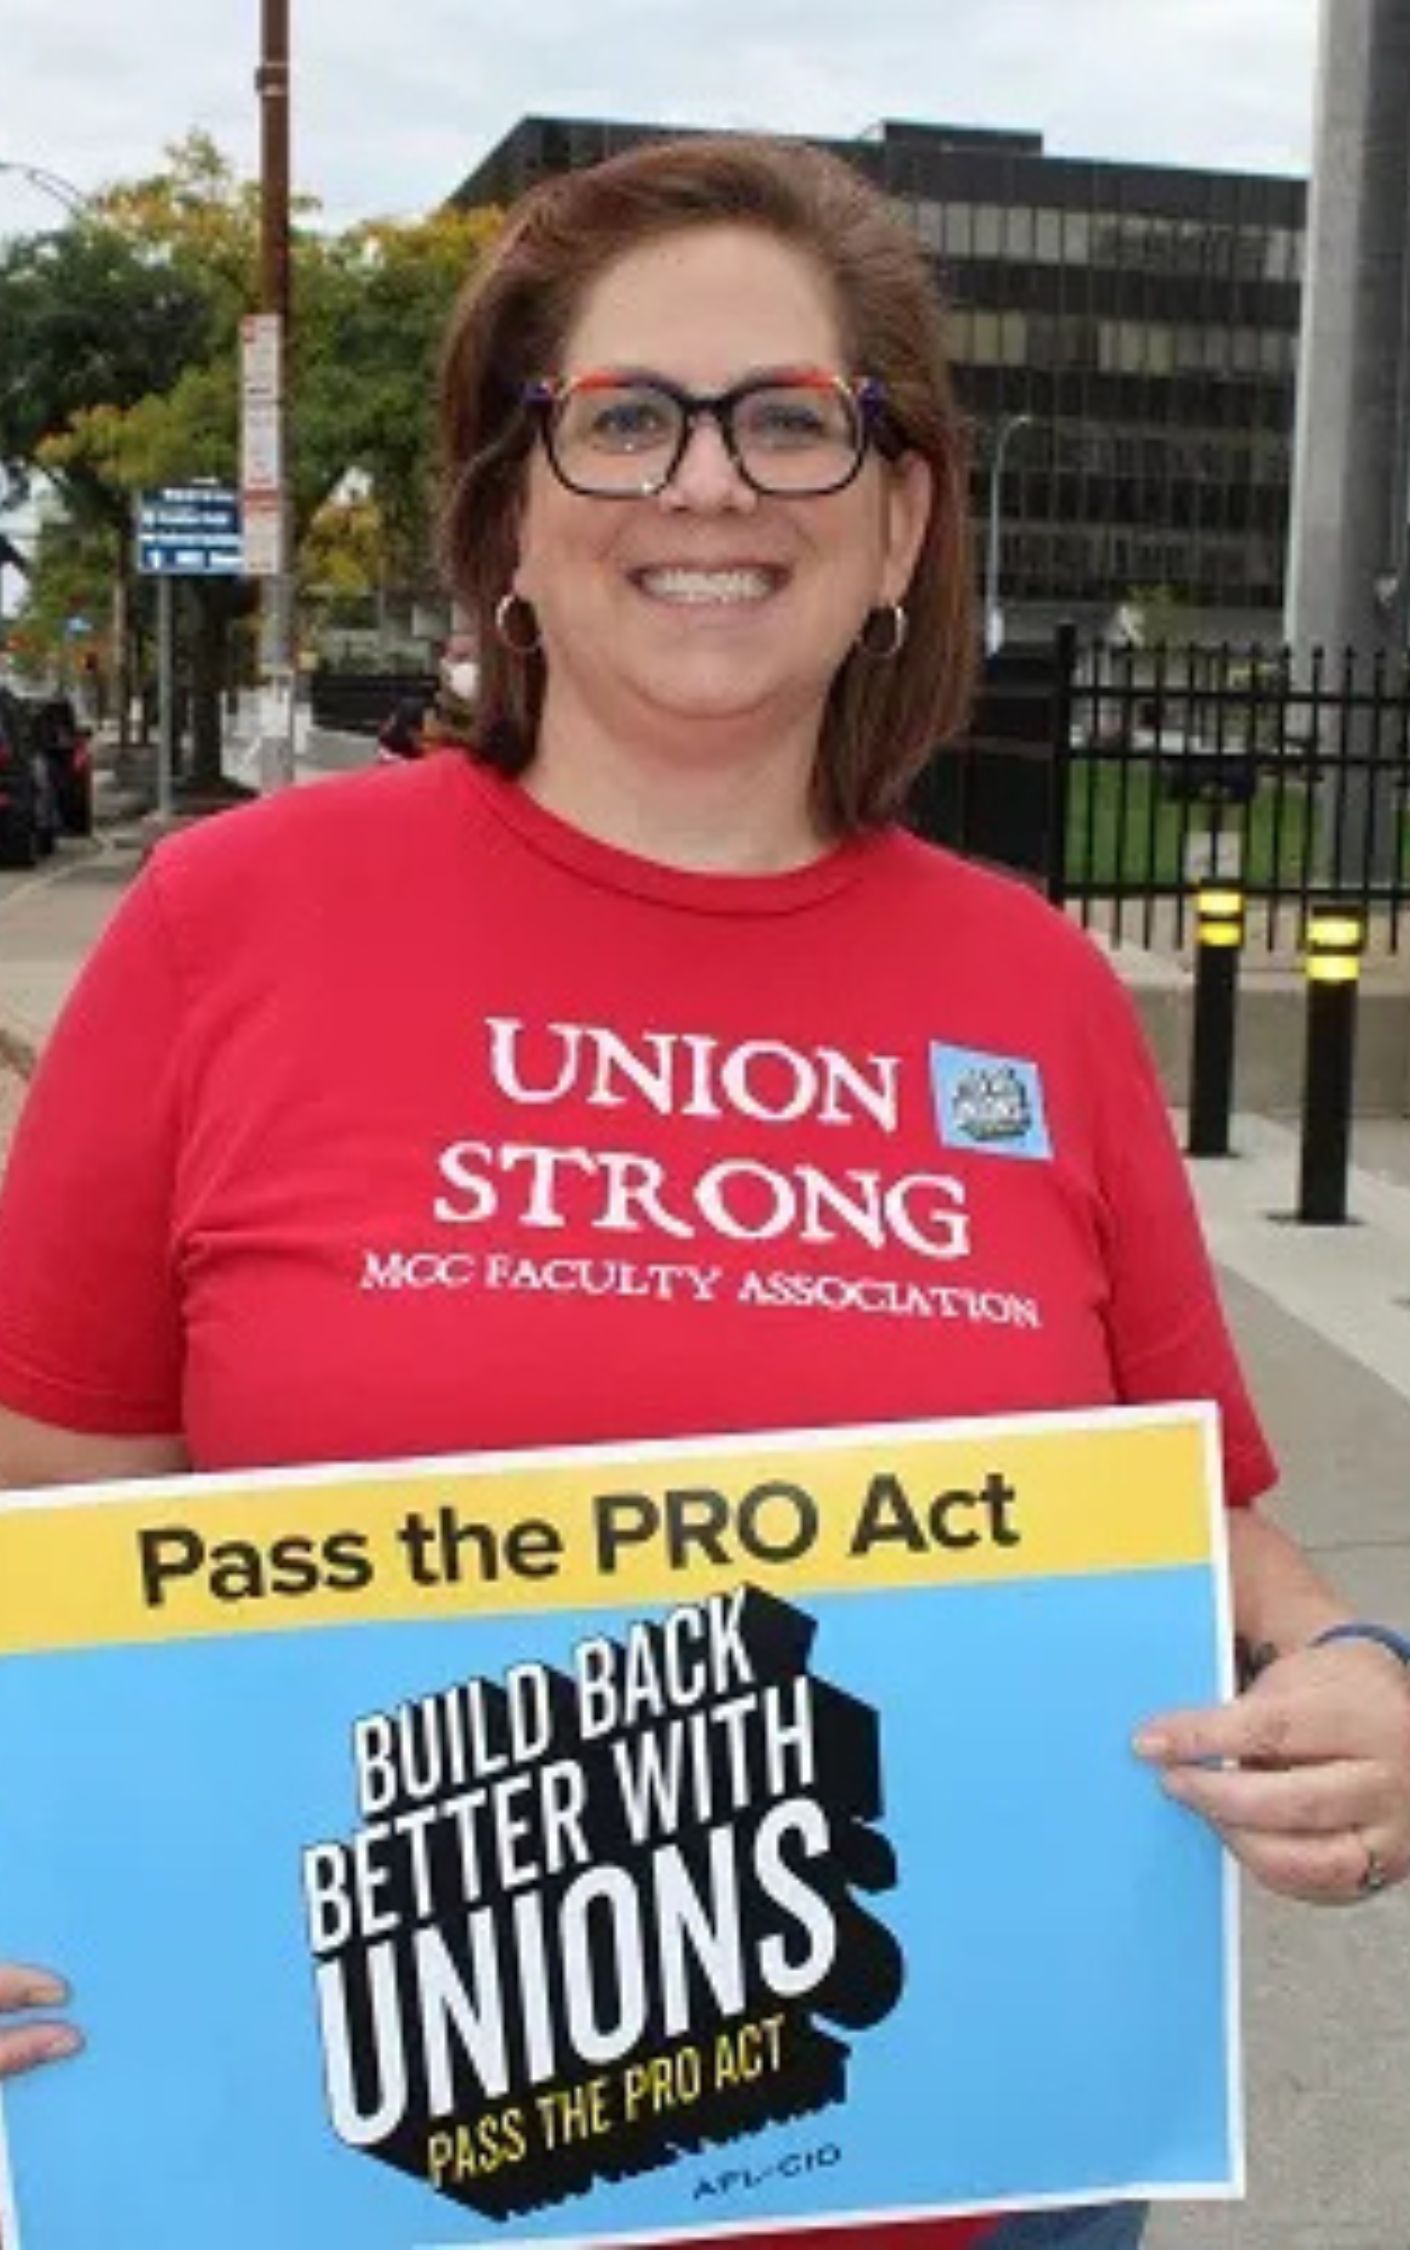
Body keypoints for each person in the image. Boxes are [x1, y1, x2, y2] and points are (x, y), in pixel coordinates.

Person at [0, 134, 1406, 2250]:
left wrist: (1361, 1673)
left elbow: (1170, 1509)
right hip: (338, 2171)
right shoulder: (231, 924)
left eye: (793, 421)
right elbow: (49, 1518)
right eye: (627, 417)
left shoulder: (1029, 986)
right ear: (510, 512)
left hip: (969, 2172)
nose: (712, 485)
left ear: (901, 516)